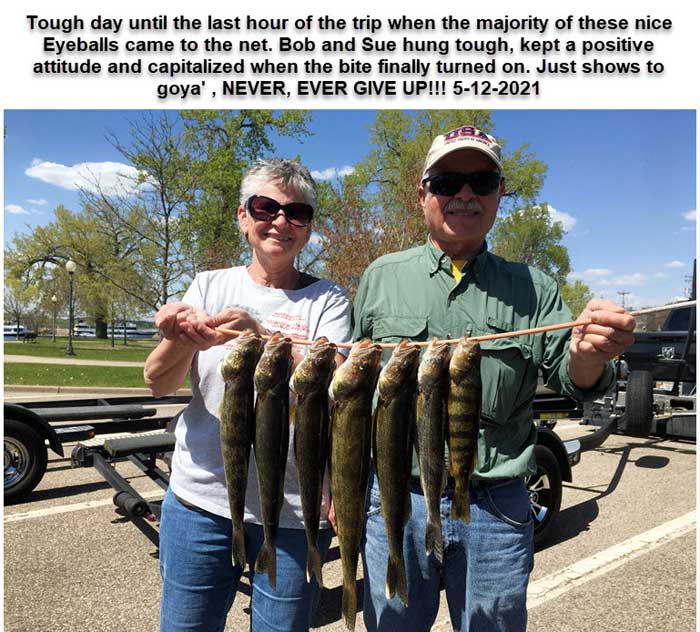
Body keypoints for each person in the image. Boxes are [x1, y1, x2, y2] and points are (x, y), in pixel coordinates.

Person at [353, 125, 636, 632]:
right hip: (399, 495)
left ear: (500, 193)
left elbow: (577, 380)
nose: (464, 193)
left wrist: (592, 352)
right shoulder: (380, 276)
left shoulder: (534, 288)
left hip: (497, 504)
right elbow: (346, 395)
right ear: (423, 193)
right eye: (447, 181)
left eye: (481, 181)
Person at [144, 158, 351, 632]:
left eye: (296, 212)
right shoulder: (210, 285)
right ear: (243, 216)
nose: (280, 221)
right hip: (201, 502)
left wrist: (263, 334)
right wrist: (179, 334)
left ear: (308, 227)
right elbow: (157, 382)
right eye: (266, 207)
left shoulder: (329, 300)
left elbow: (337, 386)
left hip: (295, 512)